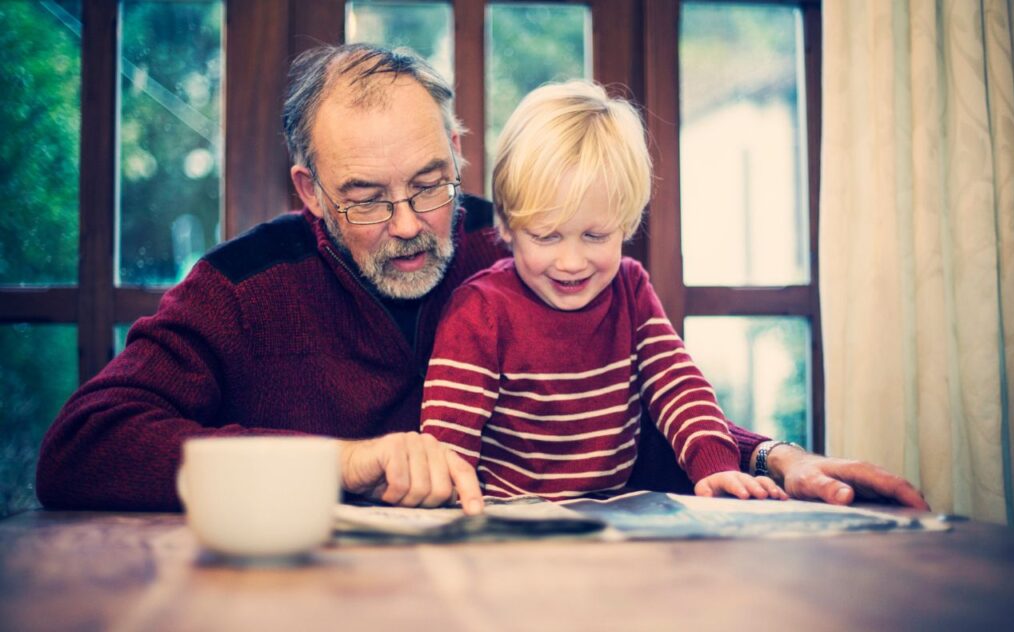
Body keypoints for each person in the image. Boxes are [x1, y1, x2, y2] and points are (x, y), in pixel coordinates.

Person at [35, 43, 929, 515]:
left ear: (458, 151)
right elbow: (83, 449)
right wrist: (343, 465)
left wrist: (772, 456)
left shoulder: (518, 244)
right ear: (308, 191)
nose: (410, 225)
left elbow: (626, 396)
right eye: (365, 199)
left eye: (428, 183)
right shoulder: (241, 286)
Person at [421, 81, 788, 502]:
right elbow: (447, 444)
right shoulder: (480, 310)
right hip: (511, 519)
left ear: (626, 224)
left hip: (615, 513)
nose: (572, 261)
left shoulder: (630, 289)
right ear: (506, 226)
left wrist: (716, 465)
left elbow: (678, 384)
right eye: (546, 236)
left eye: (595, 236)